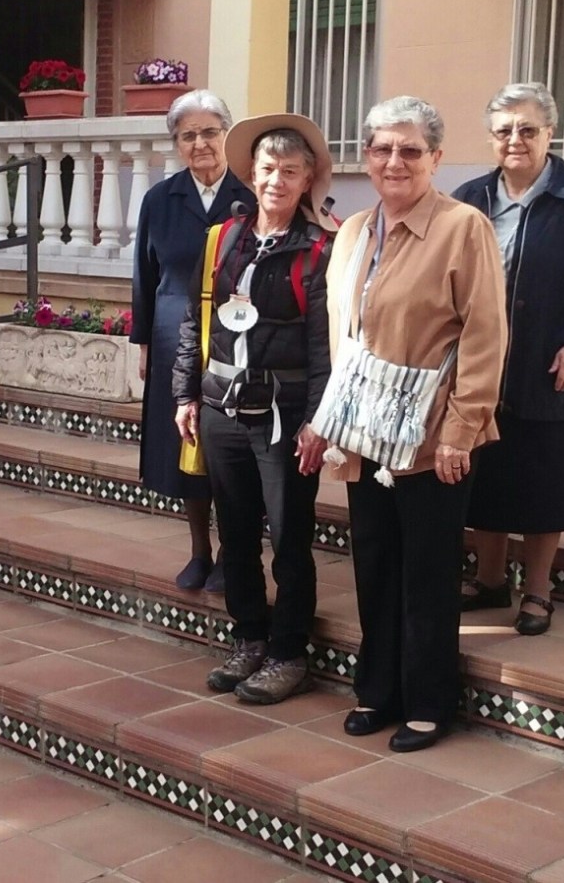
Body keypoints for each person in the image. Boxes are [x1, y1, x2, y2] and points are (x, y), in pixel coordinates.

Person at [319, 96, 507, 751]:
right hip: (366, 429)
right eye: (381, 148)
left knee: (427, 570)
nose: (393, 161)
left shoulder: (463, 227)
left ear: (434, 157)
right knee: (374, 562)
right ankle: (379, 690)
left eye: (408, 149)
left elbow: (485, 333)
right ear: (365, 156)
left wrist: (462, 427)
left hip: (433, 435)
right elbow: (341, 336)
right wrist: (327, 422)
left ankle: (429, 701)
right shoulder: (352, 233)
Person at [172, 113, 337, 704]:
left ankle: (289, 652)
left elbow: (326, 346)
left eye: (290, 172)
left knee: (290, 538)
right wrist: (185, 393)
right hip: (220, 409)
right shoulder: (223, 239)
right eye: (268, 169)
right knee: (235, 533)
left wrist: (320, 419)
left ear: (307, 178)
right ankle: (249, 639)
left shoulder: (321, 249)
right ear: (251, 172)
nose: (276, 181)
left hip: (284, 414)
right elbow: (198, 320)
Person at [453, 82, 564, 636]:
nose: (516, 140)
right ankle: (488, 580)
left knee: (542, 480)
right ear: (491, 138)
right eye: (504, 130)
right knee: (485, 477)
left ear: (550, 134)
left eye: (528, 129)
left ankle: (538, 591)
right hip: (481, 364)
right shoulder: (470, 197)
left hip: (551, 361)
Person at [130, 89, 255, 593]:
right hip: (172, 340)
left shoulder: (250, 195)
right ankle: (199, 551)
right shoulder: (161, 199)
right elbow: (144, 275)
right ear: (176, 145)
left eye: (209, 132)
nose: (200, 143)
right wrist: (143, 344)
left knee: (228, 448)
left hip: (236, 339)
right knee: (186, 445)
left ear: (226, 134)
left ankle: (232, 554)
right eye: (188, 136)